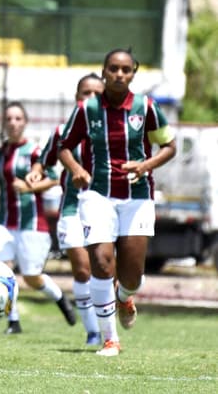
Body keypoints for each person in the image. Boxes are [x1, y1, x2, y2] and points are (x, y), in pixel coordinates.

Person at [58, 48, 176, 357]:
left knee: (132, 274)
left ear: (133, 73)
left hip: (137, 198)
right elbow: (64, 147)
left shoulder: (146, 107)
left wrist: (145, 166)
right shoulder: (87, 109)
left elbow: (169, 146)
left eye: (126, 70)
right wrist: (78, 169)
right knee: (100, 260)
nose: (119, 74)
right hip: (97, 195)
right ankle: (110, 339)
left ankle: (125, 297)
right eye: (113, 69)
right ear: (104, 71)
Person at [0, 101, 77, 334]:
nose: (13, 123)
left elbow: (54, 178)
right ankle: (13, 322)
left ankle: (61, 299)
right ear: (4, 123)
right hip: (4, 222)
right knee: (3, 271)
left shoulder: (35, 152)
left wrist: (29, 188)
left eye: (18, 118)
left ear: (25, 123)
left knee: (32, 277)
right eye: (9, 119)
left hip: (32, 223)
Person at [26, 73, 104, 346]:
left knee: (107, 270)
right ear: (77, 98)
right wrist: (36, 173)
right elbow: (44, 160)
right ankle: (94, 332)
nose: (91, 97)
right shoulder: (62, 132)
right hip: (72, 208)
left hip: (108, 209)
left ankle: (111, 316)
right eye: (86, 92)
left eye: (97, 92)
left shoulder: (110, 132)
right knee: (83, 270)